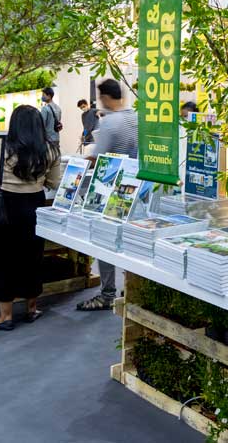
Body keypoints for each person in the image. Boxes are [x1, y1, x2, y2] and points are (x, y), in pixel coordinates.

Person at [0, 105, 61, 331]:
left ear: (13, 124)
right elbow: (55, 182)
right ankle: (32, 309)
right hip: (34, 206)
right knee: (32, 257)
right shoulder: (50, 149)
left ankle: (5, 317)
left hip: (5, 207)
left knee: (2, 260)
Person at [77, 79, 138, 312]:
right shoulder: (137, 118)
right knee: (132, 243)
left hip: (111, 191)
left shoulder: (110, 122)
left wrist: (76, 167)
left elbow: (97, 158)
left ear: (104, 97)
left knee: (105, 241)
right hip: (134, 190)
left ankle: (107, 294)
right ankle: (131, 290)